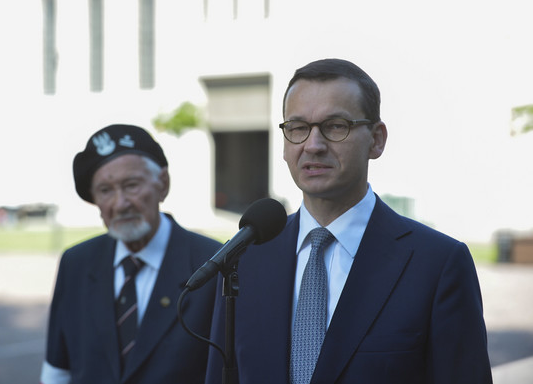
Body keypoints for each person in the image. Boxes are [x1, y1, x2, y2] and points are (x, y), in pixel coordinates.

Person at [204, 59, 493, 384]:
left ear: (376, 139)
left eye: (336, 125)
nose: (313, 145)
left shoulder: (437, 265)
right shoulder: (245, 258)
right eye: (298, 127)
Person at [40, 124, 221, 384]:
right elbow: (57, 371)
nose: (120, 203)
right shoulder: (76, 263)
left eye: (131, 185)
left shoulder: (214, 264)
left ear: (163, 184)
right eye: (105, 191)